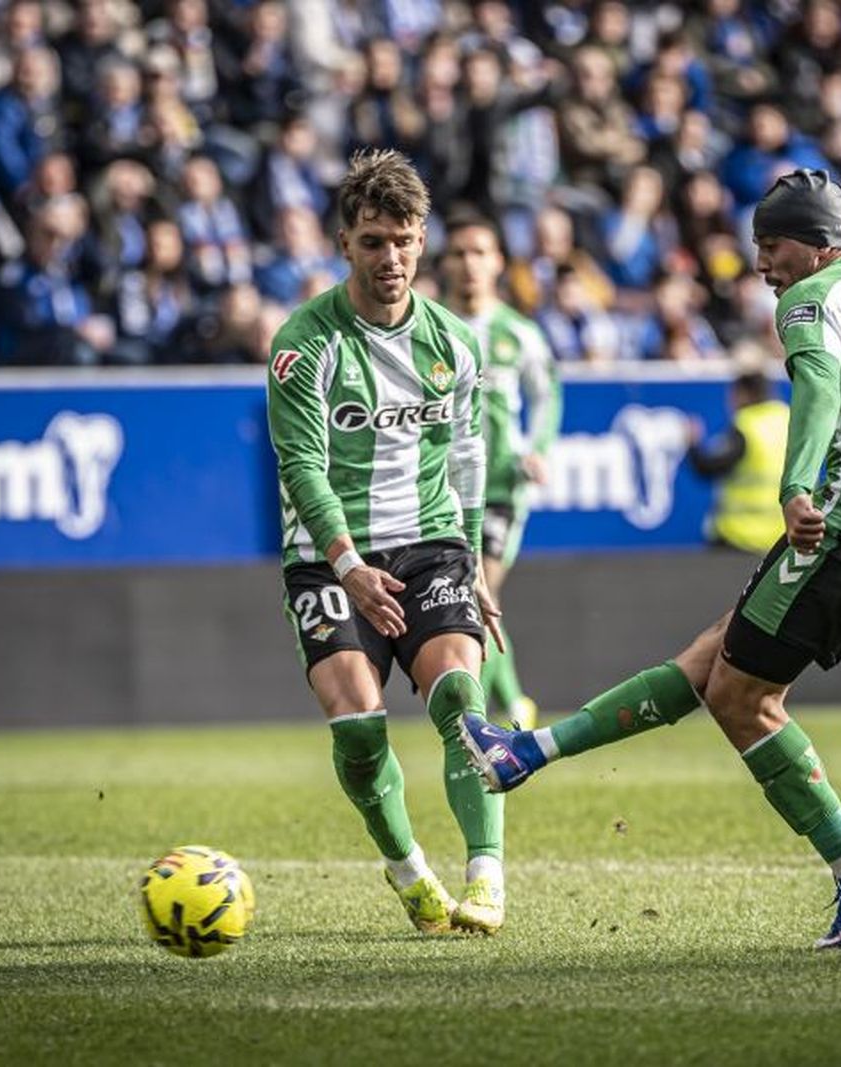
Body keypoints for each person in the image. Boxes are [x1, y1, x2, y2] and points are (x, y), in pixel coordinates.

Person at [459, 170, 841, 950]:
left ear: (815, 244)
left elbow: (818, 389)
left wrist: (796, 486)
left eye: (771, 246)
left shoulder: (814, 295)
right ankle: (527, 750)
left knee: (741, 697)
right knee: (717, 653)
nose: (762, 264)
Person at [265, 148, 509, 937]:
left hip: (431, 541)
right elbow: (302, 465)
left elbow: (468, 454)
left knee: (461, 699)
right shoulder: (305, 344)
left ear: (422, 240)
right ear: (344, 243)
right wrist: (348, 566)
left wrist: (473, 562)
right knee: (361, 727)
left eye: (404, 240)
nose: (391, 258)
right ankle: (408, 869)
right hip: (328, 557)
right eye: (373, 241)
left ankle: (487, 874)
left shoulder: (455, 344)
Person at [439, 212, 562, 730]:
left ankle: (475, 719)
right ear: (444, 263)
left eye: (479, 253)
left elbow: (548, 395)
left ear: (498, 263)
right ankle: (514, 705)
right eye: (458, 253)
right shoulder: (429, 327)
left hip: (501, 487)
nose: (469, 264)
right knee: (466, 598)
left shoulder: (520, 333)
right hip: (440, 489)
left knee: (475, 592)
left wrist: (539, 448)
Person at [685, 370, 790, 554]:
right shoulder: (787, 418)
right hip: (783, 535)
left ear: (743, 393)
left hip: (740, 535)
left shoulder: (747, 425)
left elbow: (709, 467)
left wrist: (693, 444)